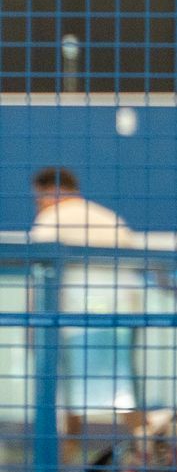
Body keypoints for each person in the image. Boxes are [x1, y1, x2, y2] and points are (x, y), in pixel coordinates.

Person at [30, 165, 145, 445]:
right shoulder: (111, 219)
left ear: (48, 193)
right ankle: (147, 453)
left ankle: (62, 470)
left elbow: (41, 274)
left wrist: (34, 326)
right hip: (122, 319)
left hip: (74, 322)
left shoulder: (50, 220)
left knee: (66, 398)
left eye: (38, 198)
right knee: (125, 396)